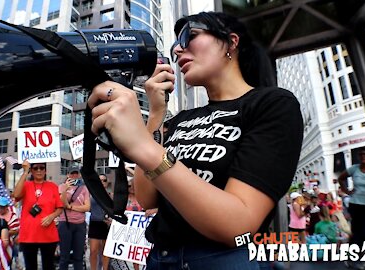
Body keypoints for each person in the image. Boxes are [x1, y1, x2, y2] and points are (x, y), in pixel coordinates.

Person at [86, 11, 303, 269]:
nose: (178, 49)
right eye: (175, 44)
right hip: (161, 258)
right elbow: (147, 197)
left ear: (232, 42)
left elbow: (238, 224)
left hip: (224, 261)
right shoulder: (180, 120)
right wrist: (156, 114)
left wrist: (143, 147)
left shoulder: (272, 104)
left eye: (190, 35)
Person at [13, 160, 63, 270]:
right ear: (32, 170)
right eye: (35, 168)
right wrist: (25, 172)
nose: (39, 170)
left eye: (42, 168)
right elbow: (16, 195)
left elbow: (60, 207)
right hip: (29, 234)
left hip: (48, 234)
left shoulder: (52, 186)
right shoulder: (26, 185)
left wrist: (51, 217)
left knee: (49, 266)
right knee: (30, 266)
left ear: (45, 171)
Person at [58, 166, 90, 270]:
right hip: (65, 223)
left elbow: (87, 207)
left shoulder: (84, 188)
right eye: (72, 174)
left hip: (80, 224)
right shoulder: (62, 186)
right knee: (64, 256)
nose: (74, 176)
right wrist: (65, 190)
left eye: (76, 174)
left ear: (79, 175)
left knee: (78, 256)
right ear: (68, 175)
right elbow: (61, 204)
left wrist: (71, 207)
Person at [88, 174, 111, 270]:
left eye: (104, 180)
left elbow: (114, 211)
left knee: (106, 251)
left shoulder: (111, 195)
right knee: (93, 251)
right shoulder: (91, 193)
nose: (102, 182)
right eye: (100, 180)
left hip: (106, 225)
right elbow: (87, 207)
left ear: (107, 183)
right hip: (95, 223)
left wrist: (110, 219)